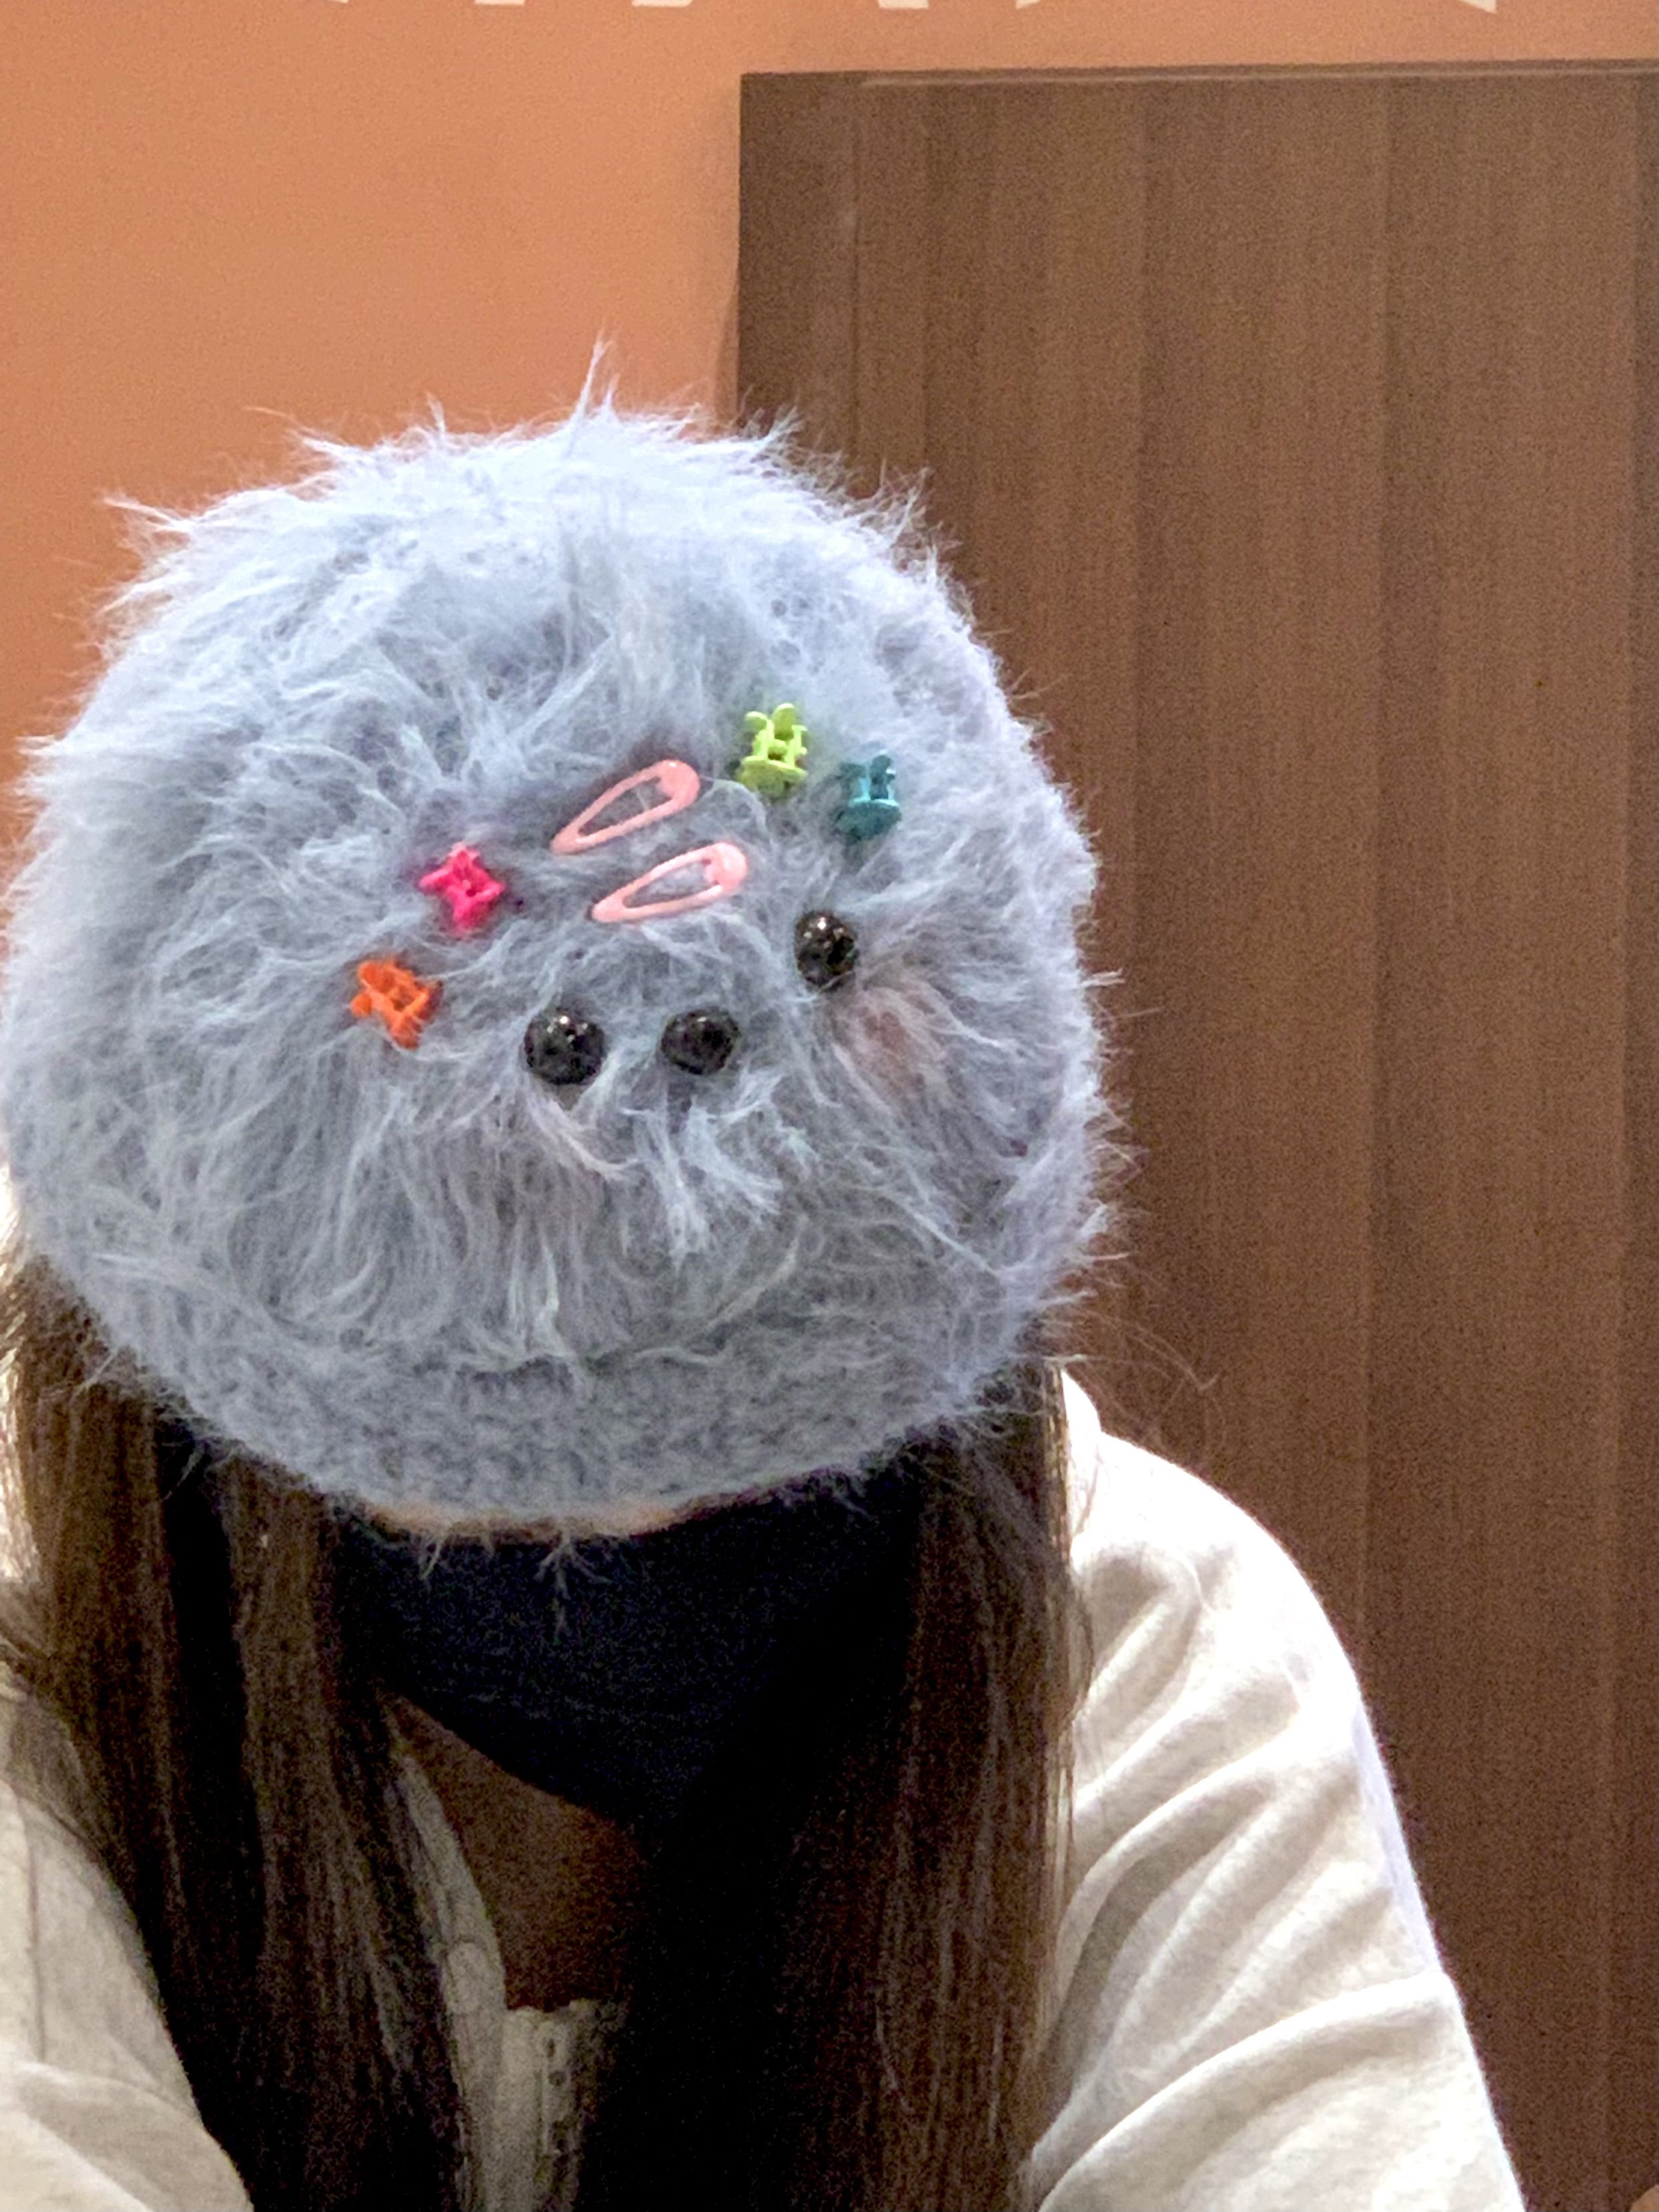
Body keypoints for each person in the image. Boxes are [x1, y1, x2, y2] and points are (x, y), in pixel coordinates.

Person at [0, 402, 1525, 2212]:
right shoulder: (48, 1637)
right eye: (496, 1477)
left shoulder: (1146, 1645)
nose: (638, 1538)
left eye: (774, 1459)